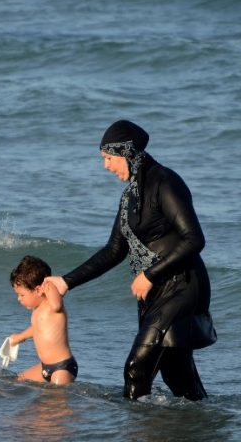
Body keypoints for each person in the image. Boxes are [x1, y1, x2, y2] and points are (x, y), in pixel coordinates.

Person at [45, 120, 216, 401]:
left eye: (108, 158)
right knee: (178, 376)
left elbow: (194, 239)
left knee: (136, 369)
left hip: (182, 286)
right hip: (156, 291)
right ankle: (206, 426)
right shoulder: (130, 196)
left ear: (127, 153)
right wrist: (66, 281)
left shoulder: (166, 182)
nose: (106, 166)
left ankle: (134, 430)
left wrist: (149, 275)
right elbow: (114, 250)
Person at [8, 255, 77, 386]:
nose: (19, 299)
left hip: (62, 368)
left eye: (22, 295)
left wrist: (50, 285)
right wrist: (19, 337)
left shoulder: (53, 304)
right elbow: (37, 329)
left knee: (55, 400)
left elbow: (57, 304)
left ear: (39, 290)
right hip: (44, 367)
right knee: (17, 382)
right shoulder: (37, 310)